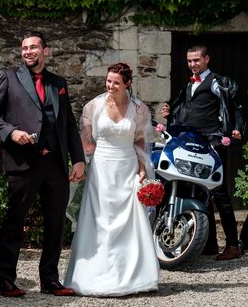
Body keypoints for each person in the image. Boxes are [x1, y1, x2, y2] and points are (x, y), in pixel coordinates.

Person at [0, 31, 85, 297]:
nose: (28, 51)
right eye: (24, 48)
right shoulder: (9, 77)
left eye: (34, 47)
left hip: (55, 163)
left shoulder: (58, 83)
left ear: (46, 51)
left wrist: (78, 159)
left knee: (55, 224)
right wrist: (11, 132)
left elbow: (69, 125)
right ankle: (5, 280)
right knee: (14, 222)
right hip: (23, 163)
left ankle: (50, 280)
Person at [64, 62, 159, 296]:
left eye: (116, 82)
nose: (110, 85)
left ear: (127, 83)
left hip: (127, 167)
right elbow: (86, 141)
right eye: (108, 81)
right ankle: (93, 275)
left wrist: (142, 167)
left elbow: (140, 141)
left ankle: (132, 277)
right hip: (101, 169)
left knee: (129, 222)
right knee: (99, 220)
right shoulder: (93, 107)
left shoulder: (139, 109)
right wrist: (83, 164)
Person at [161, 44, 245, 260]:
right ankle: (208, 245)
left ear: (207, 59)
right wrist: (171, 112)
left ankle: (233, 245)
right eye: (189, 61)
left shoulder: (219, 82)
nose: (192, 64)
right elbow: (188, 110)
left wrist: (238, 127)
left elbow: (237, 104)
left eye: (196, 60)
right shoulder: (188, 85)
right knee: (199, 191)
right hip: (192, 142)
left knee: (218, 191)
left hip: (213, 142)